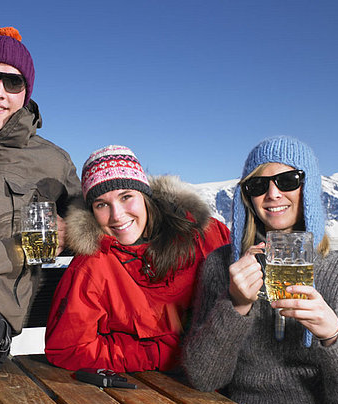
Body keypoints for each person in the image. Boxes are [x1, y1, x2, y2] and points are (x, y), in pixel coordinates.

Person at [182, 136, 338, 404]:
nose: (272, 194)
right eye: (258, 186)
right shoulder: (222, 265)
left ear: (307, 189)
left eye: (287, 180)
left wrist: (333, 335)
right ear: (247, 198)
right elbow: (204, 379)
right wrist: (236, 306)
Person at [44, 145, 230, 372]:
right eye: (102, 204)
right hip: (151, 390)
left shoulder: (205, 233)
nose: (117, 215)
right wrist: (162, 353)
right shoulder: (94, 266)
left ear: (145, 196)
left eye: (126, 197)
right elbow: (68, 348)